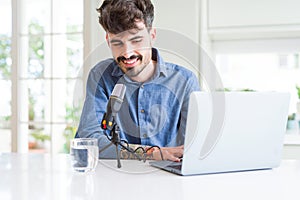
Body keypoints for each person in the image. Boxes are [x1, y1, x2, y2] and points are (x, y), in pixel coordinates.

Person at [76, 0, 200, 162]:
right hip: (113, 179)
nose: (127, 54)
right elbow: (90, 139)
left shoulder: (185, 81)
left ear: (152, 36)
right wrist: (148, 153)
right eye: (117, 43)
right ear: (108, 40)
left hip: (168, 180)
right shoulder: (100, 75)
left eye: (136, 41)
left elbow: (190, 148)